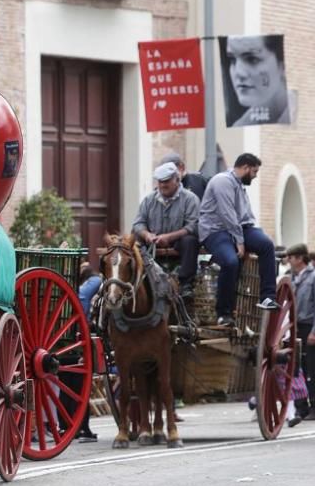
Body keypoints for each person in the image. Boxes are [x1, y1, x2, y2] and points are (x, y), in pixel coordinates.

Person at [198, 153, 277, 328]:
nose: (255, 176)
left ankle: (268, 297)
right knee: (230, 261)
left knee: (266, 244)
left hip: (239, 229)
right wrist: (239, 241)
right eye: (254, 171)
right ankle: (224, 314)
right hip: (216, 231)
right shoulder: (222, 181)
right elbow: (227, 214)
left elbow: (243, 218)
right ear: (246, 168)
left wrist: (250, 234)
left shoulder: (239, 184)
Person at [131, 161, 201, 300]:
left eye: (167, 181)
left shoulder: (190, 199)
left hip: (179, 243)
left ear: (177, 179)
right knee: (134, 239)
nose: (163, 185)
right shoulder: (148, 200)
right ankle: (136, 279)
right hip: (152, 243)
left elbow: (193, 226)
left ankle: (186, 285)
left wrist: (169, 237)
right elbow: (138, 223)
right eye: (160, 181)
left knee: (190, 240)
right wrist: (147, 235)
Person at [222, 34, 293, 127]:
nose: (238, 73)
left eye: (252, 59)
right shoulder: (242, 125)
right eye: (232, 60)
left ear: (283, 65)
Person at [286, 244, 315, 426]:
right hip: (293, 326)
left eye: (291, 257)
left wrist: (314, 331)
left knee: (311, 368)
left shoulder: (313, 277)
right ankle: (301, 406)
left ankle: (314, 406)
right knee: (297, 367)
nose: (288, 260)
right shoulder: (290, 277)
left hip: (308, 326)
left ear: (299, 258)